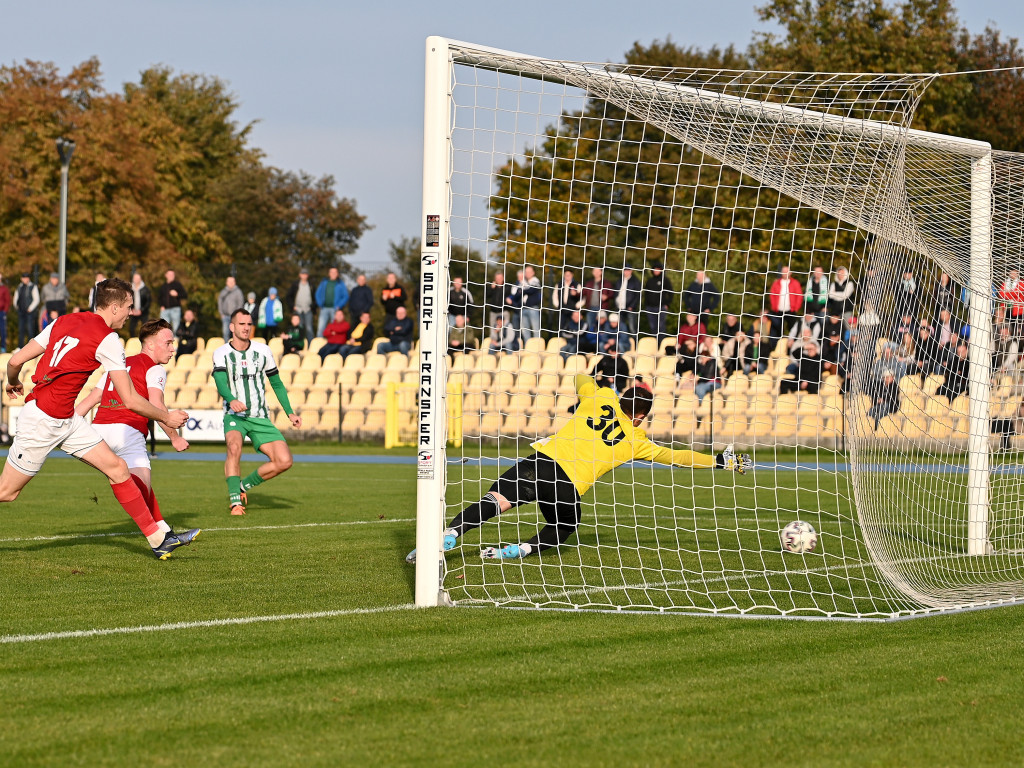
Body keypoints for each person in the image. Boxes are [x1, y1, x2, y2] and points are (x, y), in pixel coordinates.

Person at [405, 376, 751, 563]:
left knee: (494, 501)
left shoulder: (599, 398)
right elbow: (678, 457)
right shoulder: (636, 440)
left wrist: (606, 388)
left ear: (620, 397)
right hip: (566, 485)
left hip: (537, 462)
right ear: (642, 415)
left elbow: (579, 376)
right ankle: (518, 551)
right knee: (564, 526)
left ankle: (446, 537)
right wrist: (720, 460)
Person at [1, 278, 193, 559]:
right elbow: (129, 399)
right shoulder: (108, 339)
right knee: (7, 493)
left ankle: (158, 539)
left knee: (118, 468)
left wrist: (13, 382)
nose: (131, 313)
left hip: (67, 418)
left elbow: (15, 361)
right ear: (114, 308)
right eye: (128, 307)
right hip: (42, 420)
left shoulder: (64, 320)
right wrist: (167, 417)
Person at [75, 319, 191, 538]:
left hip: (98, 431)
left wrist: (66, 422)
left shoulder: (119, 364)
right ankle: (158, 535)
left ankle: (163, 530)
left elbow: (93, 397)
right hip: (127, 431)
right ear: (150, 345)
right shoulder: (155, 368)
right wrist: (174, 437)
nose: (173, 348)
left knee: (125, 479)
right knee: (140, 486)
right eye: (167, 343)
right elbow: (157, 405)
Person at [212, 309, 301, 515]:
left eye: (249, 324)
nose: (246, 327)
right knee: (234, 448)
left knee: (284, 461)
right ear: (232, 327)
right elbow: (220, 382)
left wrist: (290, 412)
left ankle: (243, 487)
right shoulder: (221, 353)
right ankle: (235, 502)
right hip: (235, 416)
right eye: (241, 324)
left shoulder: (263, 350)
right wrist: (231, 399)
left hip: (260, 416)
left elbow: (276, 383)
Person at [768, 265, 803, 341]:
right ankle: (777, 348)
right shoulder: (776, 283)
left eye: (787, 271)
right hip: (778, 311)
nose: (785, 273)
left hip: (791, 310)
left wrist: (796, 308)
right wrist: (774, 307)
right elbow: (772, 295)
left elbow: (799, 296)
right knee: (778, 330)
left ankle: (792, 347)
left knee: (793, 329)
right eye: (783, 271)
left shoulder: (795, 283)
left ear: (790, 273)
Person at [316, 267, 349, 336]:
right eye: (332, 272)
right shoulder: (324, 282)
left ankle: (332, 343)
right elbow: (317, 294)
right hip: (324, 308)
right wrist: (320, 303)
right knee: (321, 328)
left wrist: (339, 305)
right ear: (329, 274)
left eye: (335, 272)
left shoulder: (340, 283)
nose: (333, 274)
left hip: (335, 310)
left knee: (334, 329)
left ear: (337, 274)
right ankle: (319, 344)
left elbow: (345, 296)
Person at [643, 262, 672, 340]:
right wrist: (646, 305)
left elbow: (671, 293)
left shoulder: (665, 280)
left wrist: (667, 304)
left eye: (658, 269)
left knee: (661, 327)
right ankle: (654, 345)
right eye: (655, 269)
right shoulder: (650, 281)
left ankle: (660, 346)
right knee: (653, 328)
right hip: (650, 308)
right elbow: (646, 293)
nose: (656, 271)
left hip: (661, 308)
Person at [285, 268, 316, 342]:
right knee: (299, 329)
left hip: (308, 310)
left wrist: (312, 306)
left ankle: (310, 347)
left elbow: (315, 297)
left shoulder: (311, 285)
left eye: (305, 274)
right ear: (300, 275)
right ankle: (299, 345)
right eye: (302, 274)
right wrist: (293, 306)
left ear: (307, 275)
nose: (304, 276)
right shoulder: (295, 284)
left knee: (309, 329)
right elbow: (288, 296)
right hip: (298, 310)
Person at [614, 265, 642, 337]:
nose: (626, 272)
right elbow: (616, 292)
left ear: (631, 271)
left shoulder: (635, 281)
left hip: (630, 309)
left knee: (632, 328)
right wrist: (616, 303)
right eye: (625, 270)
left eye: (628, 270)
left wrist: (632, 306)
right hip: (620, 308)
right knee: (621, 328)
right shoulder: (619, 281)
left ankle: (635, 346)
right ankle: (623, 344)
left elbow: (638, 295)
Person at [14, 273, 39, 349]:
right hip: (21, 311)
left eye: (27, 277)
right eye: (24, 278)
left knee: (30, 329)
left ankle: (30, 347)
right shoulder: (19, 287)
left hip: (29, 312)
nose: (26, 279)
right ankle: (20, 347)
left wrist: (30, 308)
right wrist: (16, 306)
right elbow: (16, 297)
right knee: (21, 329)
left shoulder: (33, 286)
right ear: (22, 279)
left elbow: (36, 299)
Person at [519, 265, 543, 340]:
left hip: (533, 308)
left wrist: (523, 290)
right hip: (523, 308)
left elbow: (531, 290)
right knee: (525, 330)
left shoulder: (536, 281)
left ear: (533, 273)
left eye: (529, 272)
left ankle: (537, 347)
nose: (527, 273)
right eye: (526, 272)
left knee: (535, 328)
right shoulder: (523, 282)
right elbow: (517, 292)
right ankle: (527, 346)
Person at [217, 275, 244, 341]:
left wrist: (237, 314)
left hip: (235, 317)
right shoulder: (223, 292)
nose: (231, 283)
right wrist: (221, 313)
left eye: (232, 282)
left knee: (236, 333)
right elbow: (220, 302)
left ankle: (236, 348)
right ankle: (227, 348)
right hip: (225, 316)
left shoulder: (238, 292)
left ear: (234, 282)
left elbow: (240, 303)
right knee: (225, 333)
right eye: (229, 282)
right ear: (227, 282)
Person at [128, 272, 152, 338]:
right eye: (135, 278)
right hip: (133, 312)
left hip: (143, 312)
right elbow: (127, 300)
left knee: (146, 329)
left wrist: (141, 310)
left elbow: (148, 301)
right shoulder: (130, 289)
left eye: (137, 278)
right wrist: (131, 309)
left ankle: (145, 340)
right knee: (131, 329)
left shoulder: (146, 289)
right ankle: (132, 341)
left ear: (140, 279)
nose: (136, 280)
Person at [0, 272, 10, 353]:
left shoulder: (4, 288)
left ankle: (3, 348)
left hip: (2, 312)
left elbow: (7, 301)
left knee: (3, 330)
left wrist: (5, 311)